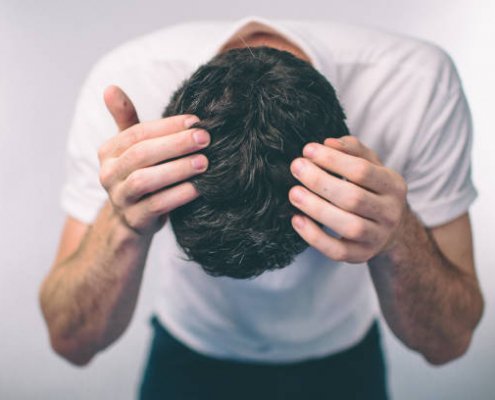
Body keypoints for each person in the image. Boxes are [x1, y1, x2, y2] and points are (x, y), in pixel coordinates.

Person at [39, 15, 484, 400]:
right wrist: (122, 220)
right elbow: (70, 340)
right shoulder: (125, 85)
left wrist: (396, 232)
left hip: (343, 360)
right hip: (189, 357)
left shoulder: (415, 86)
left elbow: (448, 343)